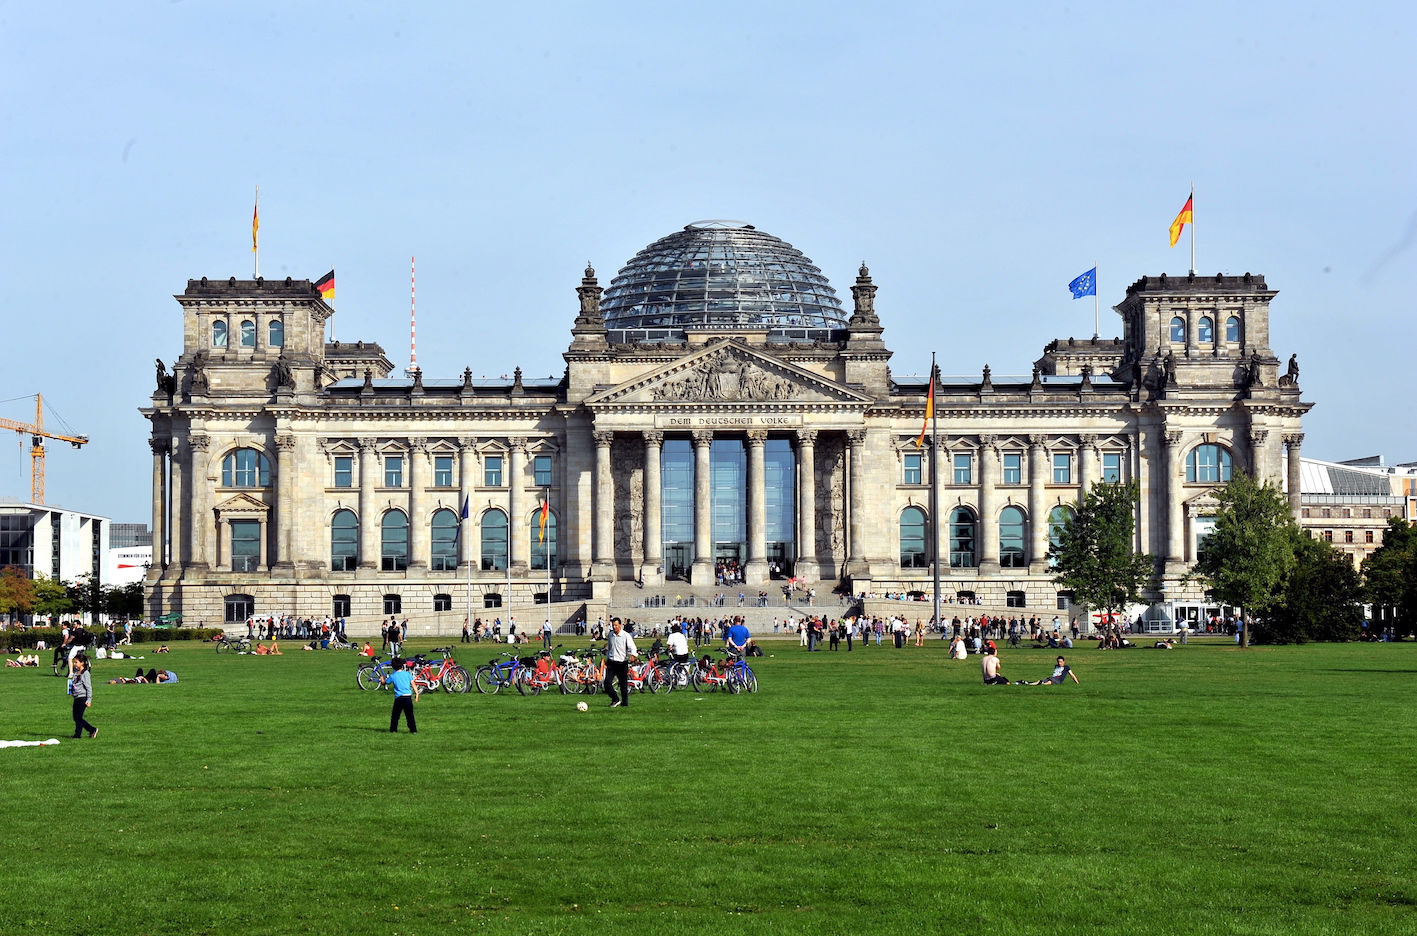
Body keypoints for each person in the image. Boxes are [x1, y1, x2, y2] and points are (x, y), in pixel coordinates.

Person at [602, 616, 637, 708]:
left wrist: (633, 655)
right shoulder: (611, 635)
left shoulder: (625, 635)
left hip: (622, 663)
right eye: (613, 625)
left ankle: (625, 703)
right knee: (607, 682)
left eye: (616, 625)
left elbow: (632, 647)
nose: (614, 627)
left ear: (620, 625)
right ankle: (615, 699)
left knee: (623, 684)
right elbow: (610, 646)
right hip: (611, 662)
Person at [69, 652, 97, 738]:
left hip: (82, 697)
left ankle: (91, 729)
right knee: (76, 717)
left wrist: (89, 700)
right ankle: (78, 734)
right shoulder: (76, 672)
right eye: (74, 662)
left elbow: (88, 687)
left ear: (82, 663)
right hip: (76, 697)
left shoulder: (85, 673)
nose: (74, 664)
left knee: (78, 717)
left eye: (76, 662)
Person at [388, 658, 418, 733]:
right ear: (402, 665)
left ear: (393, 667)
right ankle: (413, 730)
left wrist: (382, 680)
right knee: (410, 715)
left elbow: (386, 682)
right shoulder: (407, 674)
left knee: (395, 715)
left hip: (399, 698)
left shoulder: (393, 676)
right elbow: (413, 684)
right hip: (408, 697)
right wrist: (417, 694)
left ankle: (393, 730)